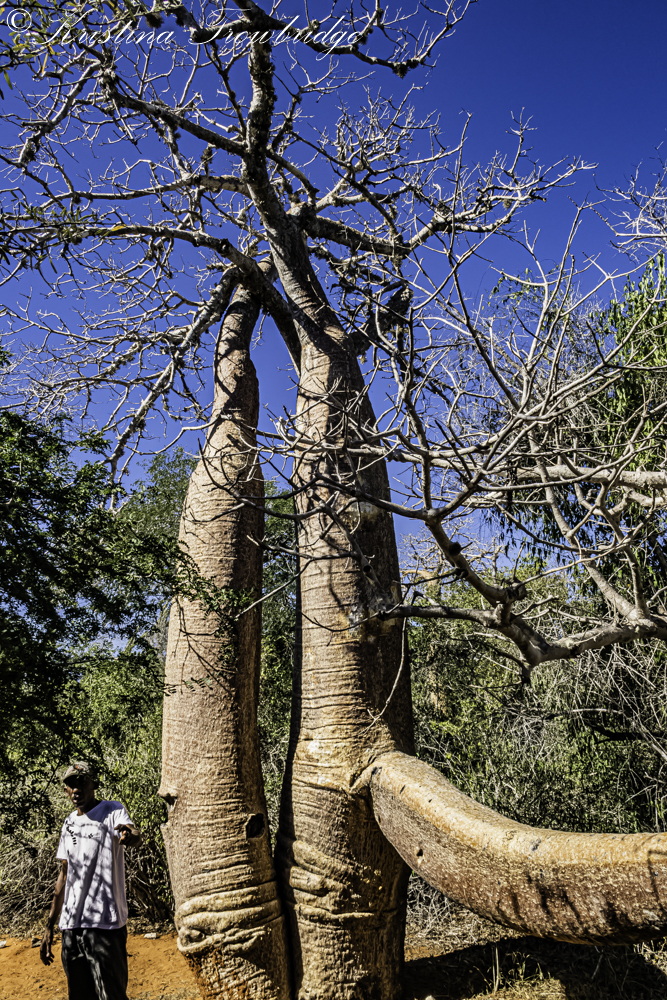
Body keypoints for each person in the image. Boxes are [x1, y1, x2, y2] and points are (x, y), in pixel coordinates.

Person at [40, 761, 141, 1000]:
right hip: (72, 928)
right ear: (66, 790)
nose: (76, 789)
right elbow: (64, 876)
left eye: (82, 783)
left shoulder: (112, 810)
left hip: (105, 925)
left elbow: (134, 833)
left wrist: (130, 835)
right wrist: (49, 926)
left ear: (94, 784)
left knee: (111, 995)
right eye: (71, 785)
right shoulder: (68, 823)